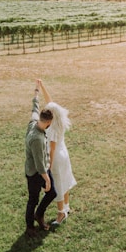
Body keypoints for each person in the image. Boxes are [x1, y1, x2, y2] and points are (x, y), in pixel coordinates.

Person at [38, 79, 77, 225]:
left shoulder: (52, 128)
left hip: (56, 158)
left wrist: (49, 165)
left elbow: (52, 149)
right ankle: (66, 207)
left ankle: (61, 214)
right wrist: (42, 86)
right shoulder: (59, 120)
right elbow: (50, 101)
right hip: (64, 153)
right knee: (65, 180)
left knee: (58, 185)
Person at [25, 80, 57, 238]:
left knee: (52, 193)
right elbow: (39, 165)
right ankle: (30, 226)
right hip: (35, 172)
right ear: (48, 122)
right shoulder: (37, 138)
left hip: (43, 167)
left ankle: (39, 214)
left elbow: (34, 107)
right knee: (33, 199)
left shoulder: (34, 122)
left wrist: (36, 92)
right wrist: (47, 180)